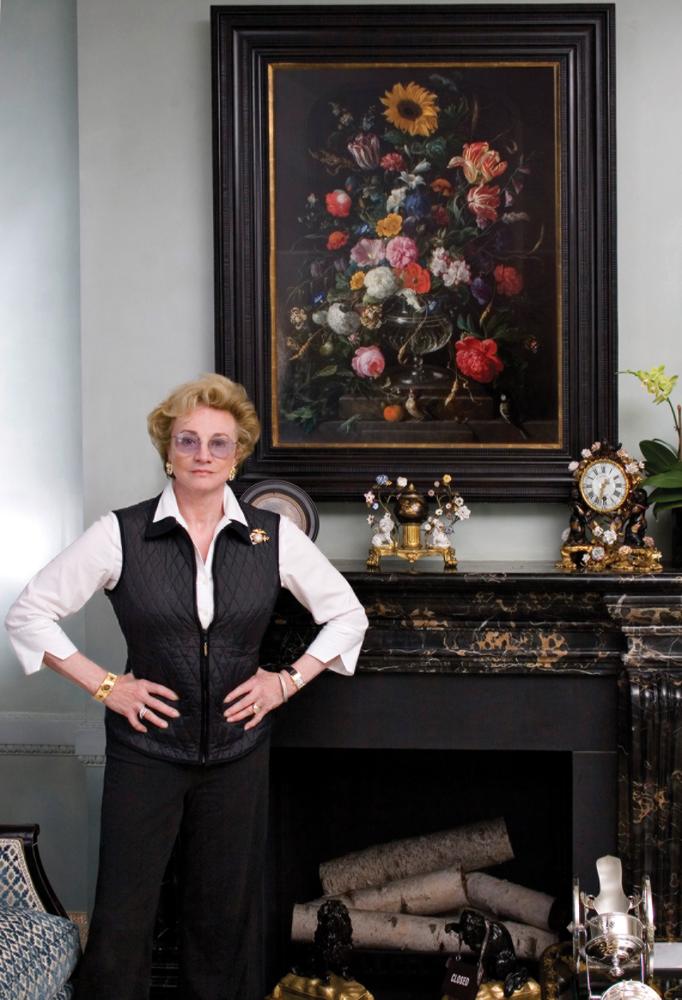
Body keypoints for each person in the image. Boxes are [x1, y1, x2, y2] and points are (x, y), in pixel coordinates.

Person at [5, 374, 368, 1000]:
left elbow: (348, 615)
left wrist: (284, 683)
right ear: (167, 450)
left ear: (237, 454)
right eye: (189, 441)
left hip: (237, 758)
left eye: (219, 443)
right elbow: (29, 612)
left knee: (222, 926)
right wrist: (106, 686)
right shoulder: (121, 533)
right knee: (122, 924)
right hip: (144, 755)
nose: (203, 455)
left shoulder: (270, 536)